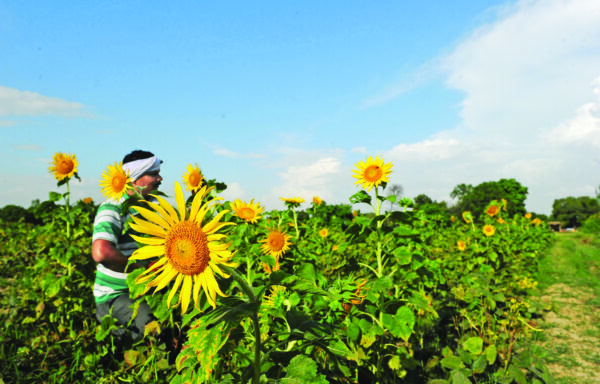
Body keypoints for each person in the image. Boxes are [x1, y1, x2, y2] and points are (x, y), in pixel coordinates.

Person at [91, 150, 163, 341]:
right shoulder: (114, 206)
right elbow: (101, 252)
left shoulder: (152, 207)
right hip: (118, 295)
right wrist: (141, 268)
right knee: (154, 331)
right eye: (154, 174)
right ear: (134, 179)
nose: (159, 179)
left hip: (149, 288)